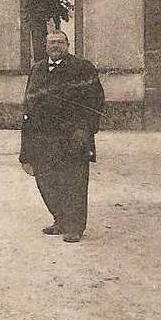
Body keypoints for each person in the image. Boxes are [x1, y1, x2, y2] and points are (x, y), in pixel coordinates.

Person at [20, 30, 105, 243]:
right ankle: (60, 219)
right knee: (46, 182)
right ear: (46, 45)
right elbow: (28, 105)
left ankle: (75, 227)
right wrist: (26, 150)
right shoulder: (37, 69)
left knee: (73, 182)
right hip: (42, 138)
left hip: (72, 137)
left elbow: (96, 102)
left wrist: (85, 130)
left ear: (67, 44)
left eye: (59, 42)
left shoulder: (82, 68)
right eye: (51, 42)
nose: (55, 46)